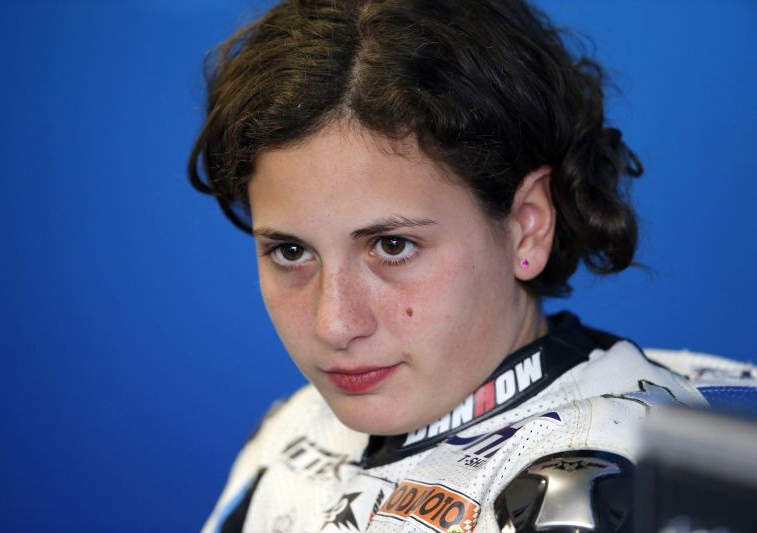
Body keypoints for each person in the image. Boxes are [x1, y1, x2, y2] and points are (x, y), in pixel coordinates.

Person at [187, 1, 755, 532]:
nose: (333, 324)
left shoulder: (642, 470)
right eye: (291, 252)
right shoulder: (292, 431)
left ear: (527, 224)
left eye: (391, 246)